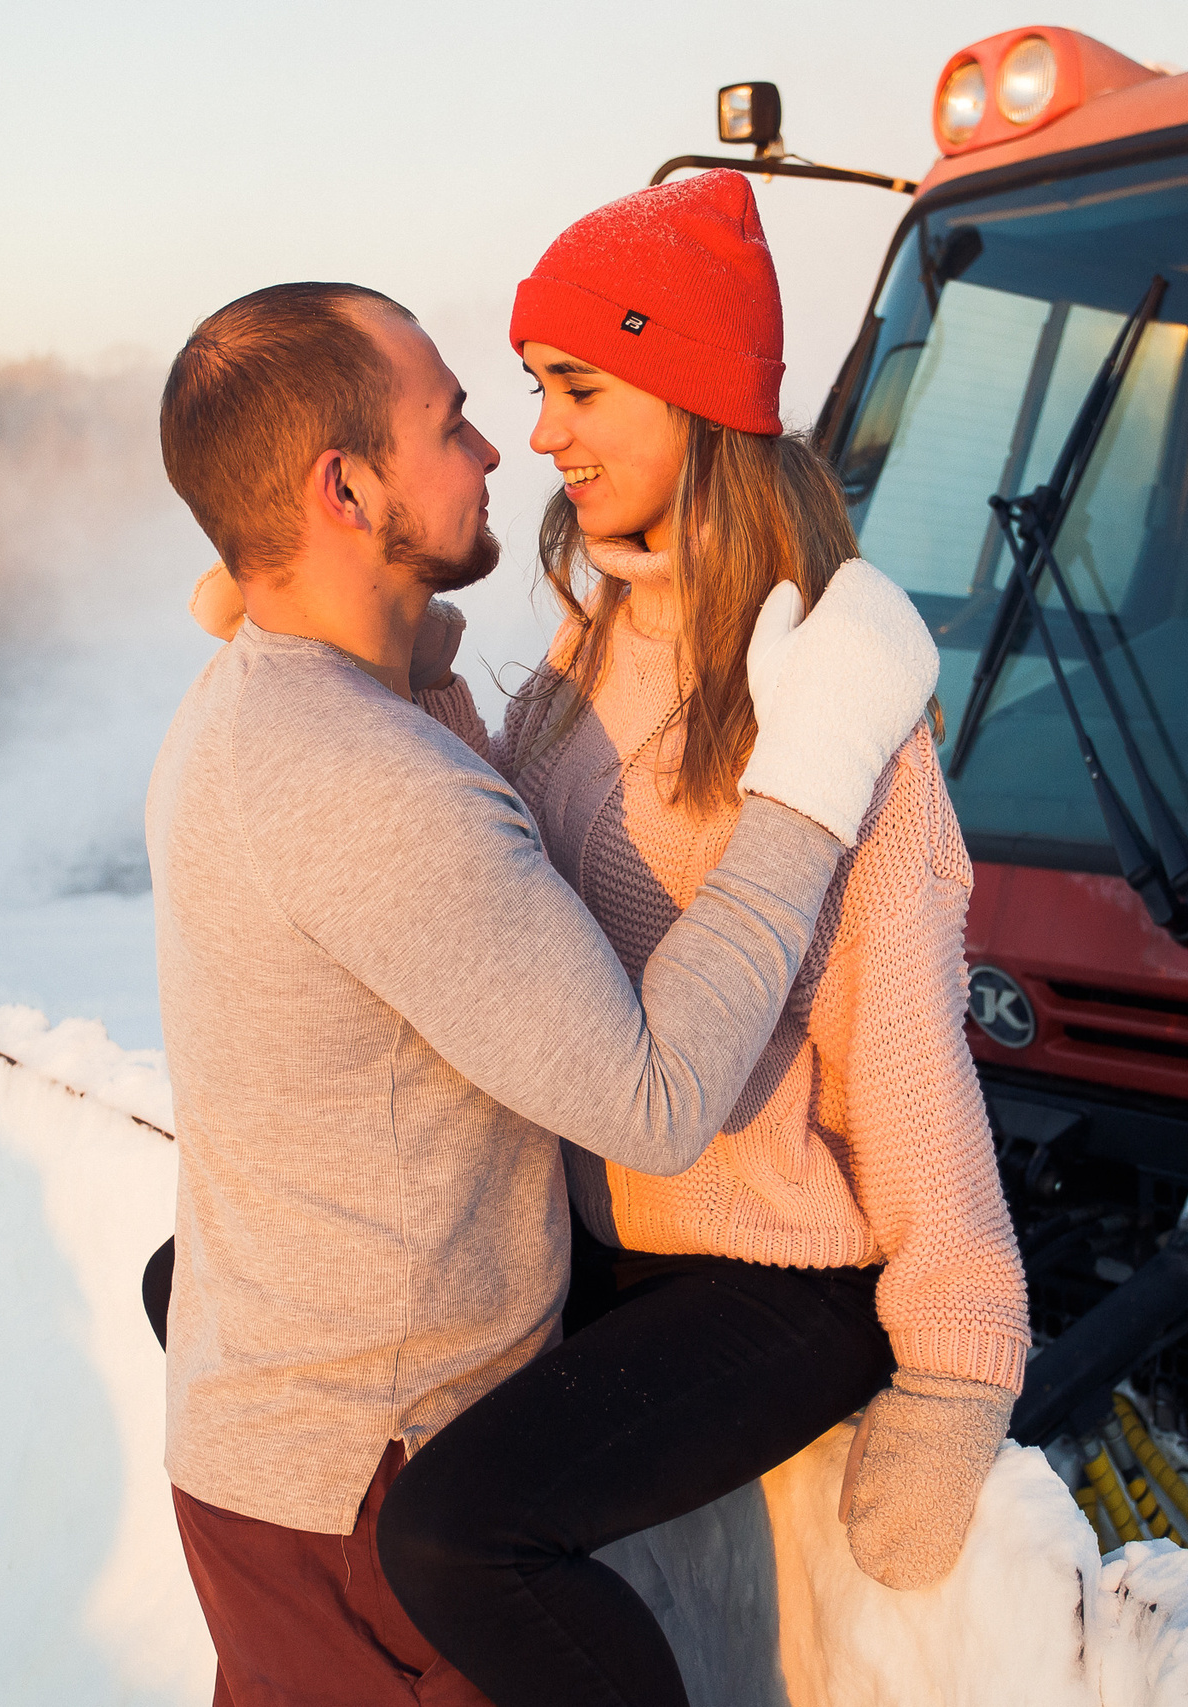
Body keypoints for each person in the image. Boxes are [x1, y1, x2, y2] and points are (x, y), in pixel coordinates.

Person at [146, 277, 938, 1707]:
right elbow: (655, 1098)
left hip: (270, 1460)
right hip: (373, 1492)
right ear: (346, 489)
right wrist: (809, 779)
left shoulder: (246, 707)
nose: (498, 448)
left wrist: (401, 640)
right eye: (450, 423)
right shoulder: (372, 784)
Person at [376, 172, 1032, 1707]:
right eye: (537, 387)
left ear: (693, 394)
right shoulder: (603, 623)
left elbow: (903, 1047)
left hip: (779, 1268)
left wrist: (955, 1363)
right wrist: (395, 674)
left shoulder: (832, 681)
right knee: (223, 1294)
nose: (545, 432)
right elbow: (513, 873)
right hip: (608, 1223)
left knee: (461, 1538)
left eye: (581, 387)